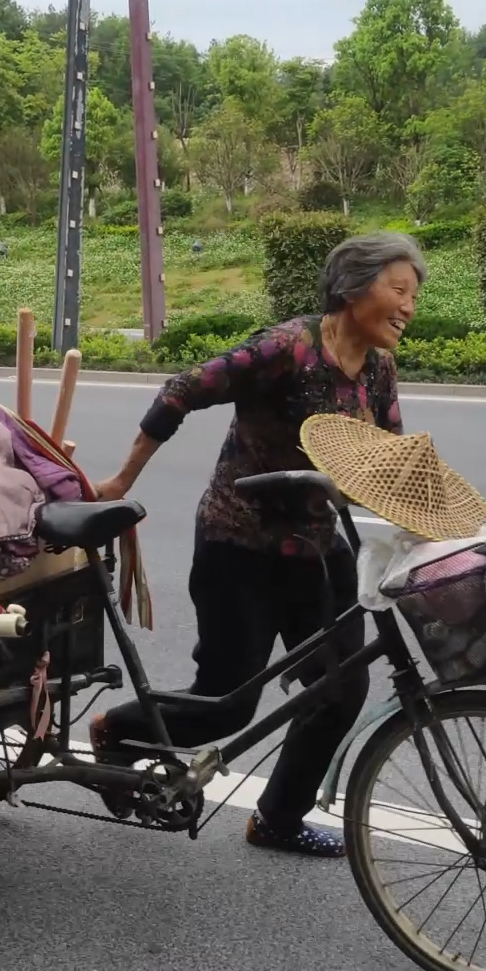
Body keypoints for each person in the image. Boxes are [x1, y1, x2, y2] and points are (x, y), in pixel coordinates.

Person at [90, 231, 424, 858]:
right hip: (238, 547)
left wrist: (427, 525)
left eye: (414, 295)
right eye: (398, 290)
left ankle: (276, 819)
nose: (409, 306)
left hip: (320, 552)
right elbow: (181, 390)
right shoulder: (286, 349)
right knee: (226, 705)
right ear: (352, 288)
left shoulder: (378, 368)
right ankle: (116, 728)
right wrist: (120, 481)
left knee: (340, 688)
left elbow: (389, 457)